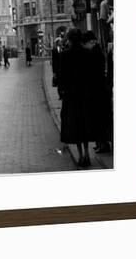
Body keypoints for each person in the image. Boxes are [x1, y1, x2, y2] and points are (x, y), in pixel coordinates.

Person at [59, 28, 98, 168]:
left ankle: (81, 155)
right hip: (86, 95)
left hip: (72, 96)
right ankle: (88, 153)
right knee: (85, 125)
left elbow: (62, 77)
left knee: (75, 127)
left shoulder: (65, 55)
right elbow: (93, 75)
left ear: (69, 39)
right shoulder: (88, 53)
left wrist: (62, 91)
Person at [83, 30, 112, 154]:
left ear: (91, 42)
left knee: (99, 120)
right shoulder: (96, 51)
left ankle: (103, 144)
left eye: (86, 43)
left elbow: (92, 73)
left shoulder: (94, 53)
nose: (85, 46)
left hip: (97, 92)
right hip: (98, 91)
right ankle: (100, 143)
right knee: (98, 120)